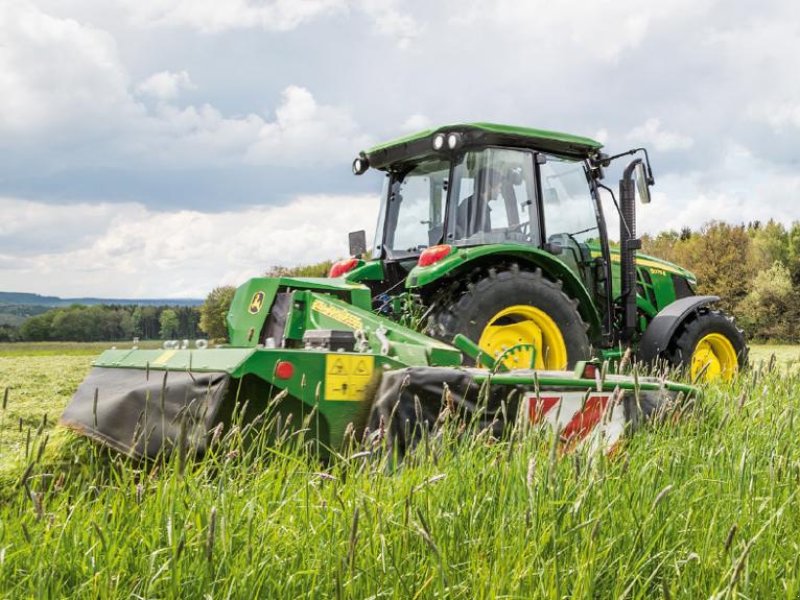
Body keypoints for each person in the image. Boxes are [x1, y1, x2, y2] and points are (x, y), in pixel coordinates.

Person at [455, 166, 503, 237]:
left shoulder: (472, 203)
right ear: (488, 186)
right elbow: (479, 238)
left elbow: (482, 234)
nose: (500, 191)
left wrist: (507, 230)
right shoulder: (477, 208)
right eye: (499, 187)